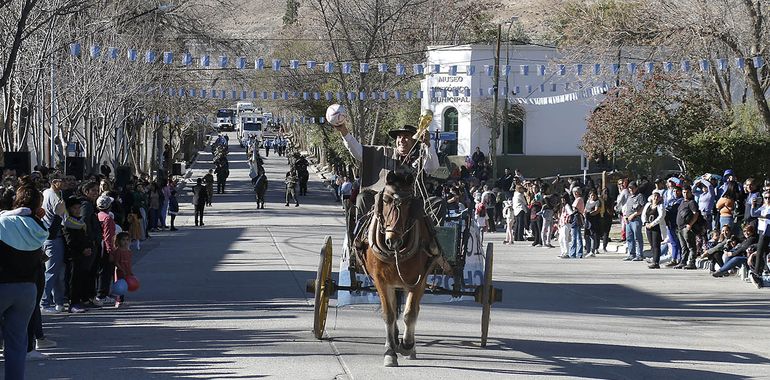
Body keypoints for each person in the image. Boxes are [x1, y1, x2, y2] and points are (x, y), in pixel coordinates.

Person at [332, 121, 439, 222]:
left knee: (437, 204)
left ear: (415, 141)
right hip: (384, 199)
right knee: (363, 197)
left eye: (406, 137)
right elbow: (359, 152)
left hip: (412, 200)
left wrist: (428, 145)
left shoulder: (422, 155)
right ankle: (359, 235)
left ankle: (431, 239)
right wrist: (344, 132)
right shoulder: (384, 153)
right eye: (399, 137)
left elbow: (432, 167)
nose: (401, 140)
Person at [0, 183, 50, 378]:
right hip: (28, 289)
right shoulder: (38, 227)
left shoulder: (4, 222)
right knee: (17, 343)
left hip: (3, 285)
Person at [62, 195, 92, 313]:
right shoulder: (68, 223)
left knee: (81, 278)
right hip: (73, 255)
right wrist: (82, 249)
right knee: (73, 280)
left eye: (79, 208)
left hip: (82, 255)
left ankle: (81, 300)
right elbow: (70, 241)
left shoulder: (79, 221)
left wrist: (88, 247)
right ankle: (72, 303)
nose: (77, 210)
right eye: (74, 208)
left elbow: (85, 236)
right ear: (69, 209)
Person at [95, 194, 117, 304]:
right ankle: (102, 294)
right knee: (106, 271)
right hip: (106, 246)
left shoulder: (97, 215)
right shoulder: (108, 218)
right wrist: (111, 251)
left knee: (100, 271)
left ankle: (100, 292)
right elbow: (108, 236)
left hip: (98, 245)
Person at [675, 185, 703, 269]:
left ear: (691, 192)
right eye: (684, 192)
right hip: (680, 227)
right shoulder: (682, 202)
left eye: (687, 192)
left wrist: (690, 224)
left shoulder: (692, 202)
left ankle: (691, 262)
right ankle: (683, 261)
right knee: (684, 246)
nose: (685, 194)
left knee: (691, 246)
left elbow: (696, 214)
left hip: (687, 228)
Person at [748, 190, 770, 288]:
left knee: (761, 251)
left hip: (767, 231)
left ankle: (757, 273)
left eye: (769, 198)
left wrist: (766, 216)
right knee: (762, 252)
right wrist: (753, 205)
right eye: (766, 198)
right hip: (762, 231)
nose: (768, 200)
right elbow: (753, 214)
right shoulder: (763, 207)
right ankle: (761, 272)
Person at [642, 191, 667, 268]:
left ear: (659, 198)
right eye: (654, 196)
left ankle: (656, 262)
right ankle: (653, 259)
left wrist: (652, 224)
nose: (655, 198)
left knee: (656, 245)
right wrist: (646, 223)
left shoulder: (661, 206)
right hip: (648, 227)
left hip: (657, 228)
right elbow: (643, 214)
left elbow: (661, 216)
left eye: (657, 197)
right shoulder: (648, 205)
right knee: (652, 244)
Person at [622, 181, 646, 261]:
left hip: (636, 219)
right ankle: (631, 254)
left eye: (632, 188)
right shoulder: (629, 197)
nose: (631, 190)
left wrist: (634, 214)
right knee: (629, 237)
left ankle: (639, 255)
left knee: (637, 237)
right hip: (628, 220)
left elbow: (643, 208)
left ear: (636, 188)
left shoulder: (640, 196)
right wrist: (625, 216)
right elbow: (626, 208)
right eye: (629, 188)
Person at [111, 232, 133, 308]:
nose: (125, 242)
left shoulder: (128, 251)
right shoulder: (118, 251)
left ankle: (121, 301)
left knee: (124, 287)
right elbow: (116, 262)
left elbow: (129, 262)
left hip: (127, 271)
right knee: (120, 287)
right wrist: (121, 269)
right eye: (123, 240)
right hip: (120, 272)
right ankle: (118, 302)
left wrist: (130, 271)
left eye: (127, 240)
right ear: (118, 241)